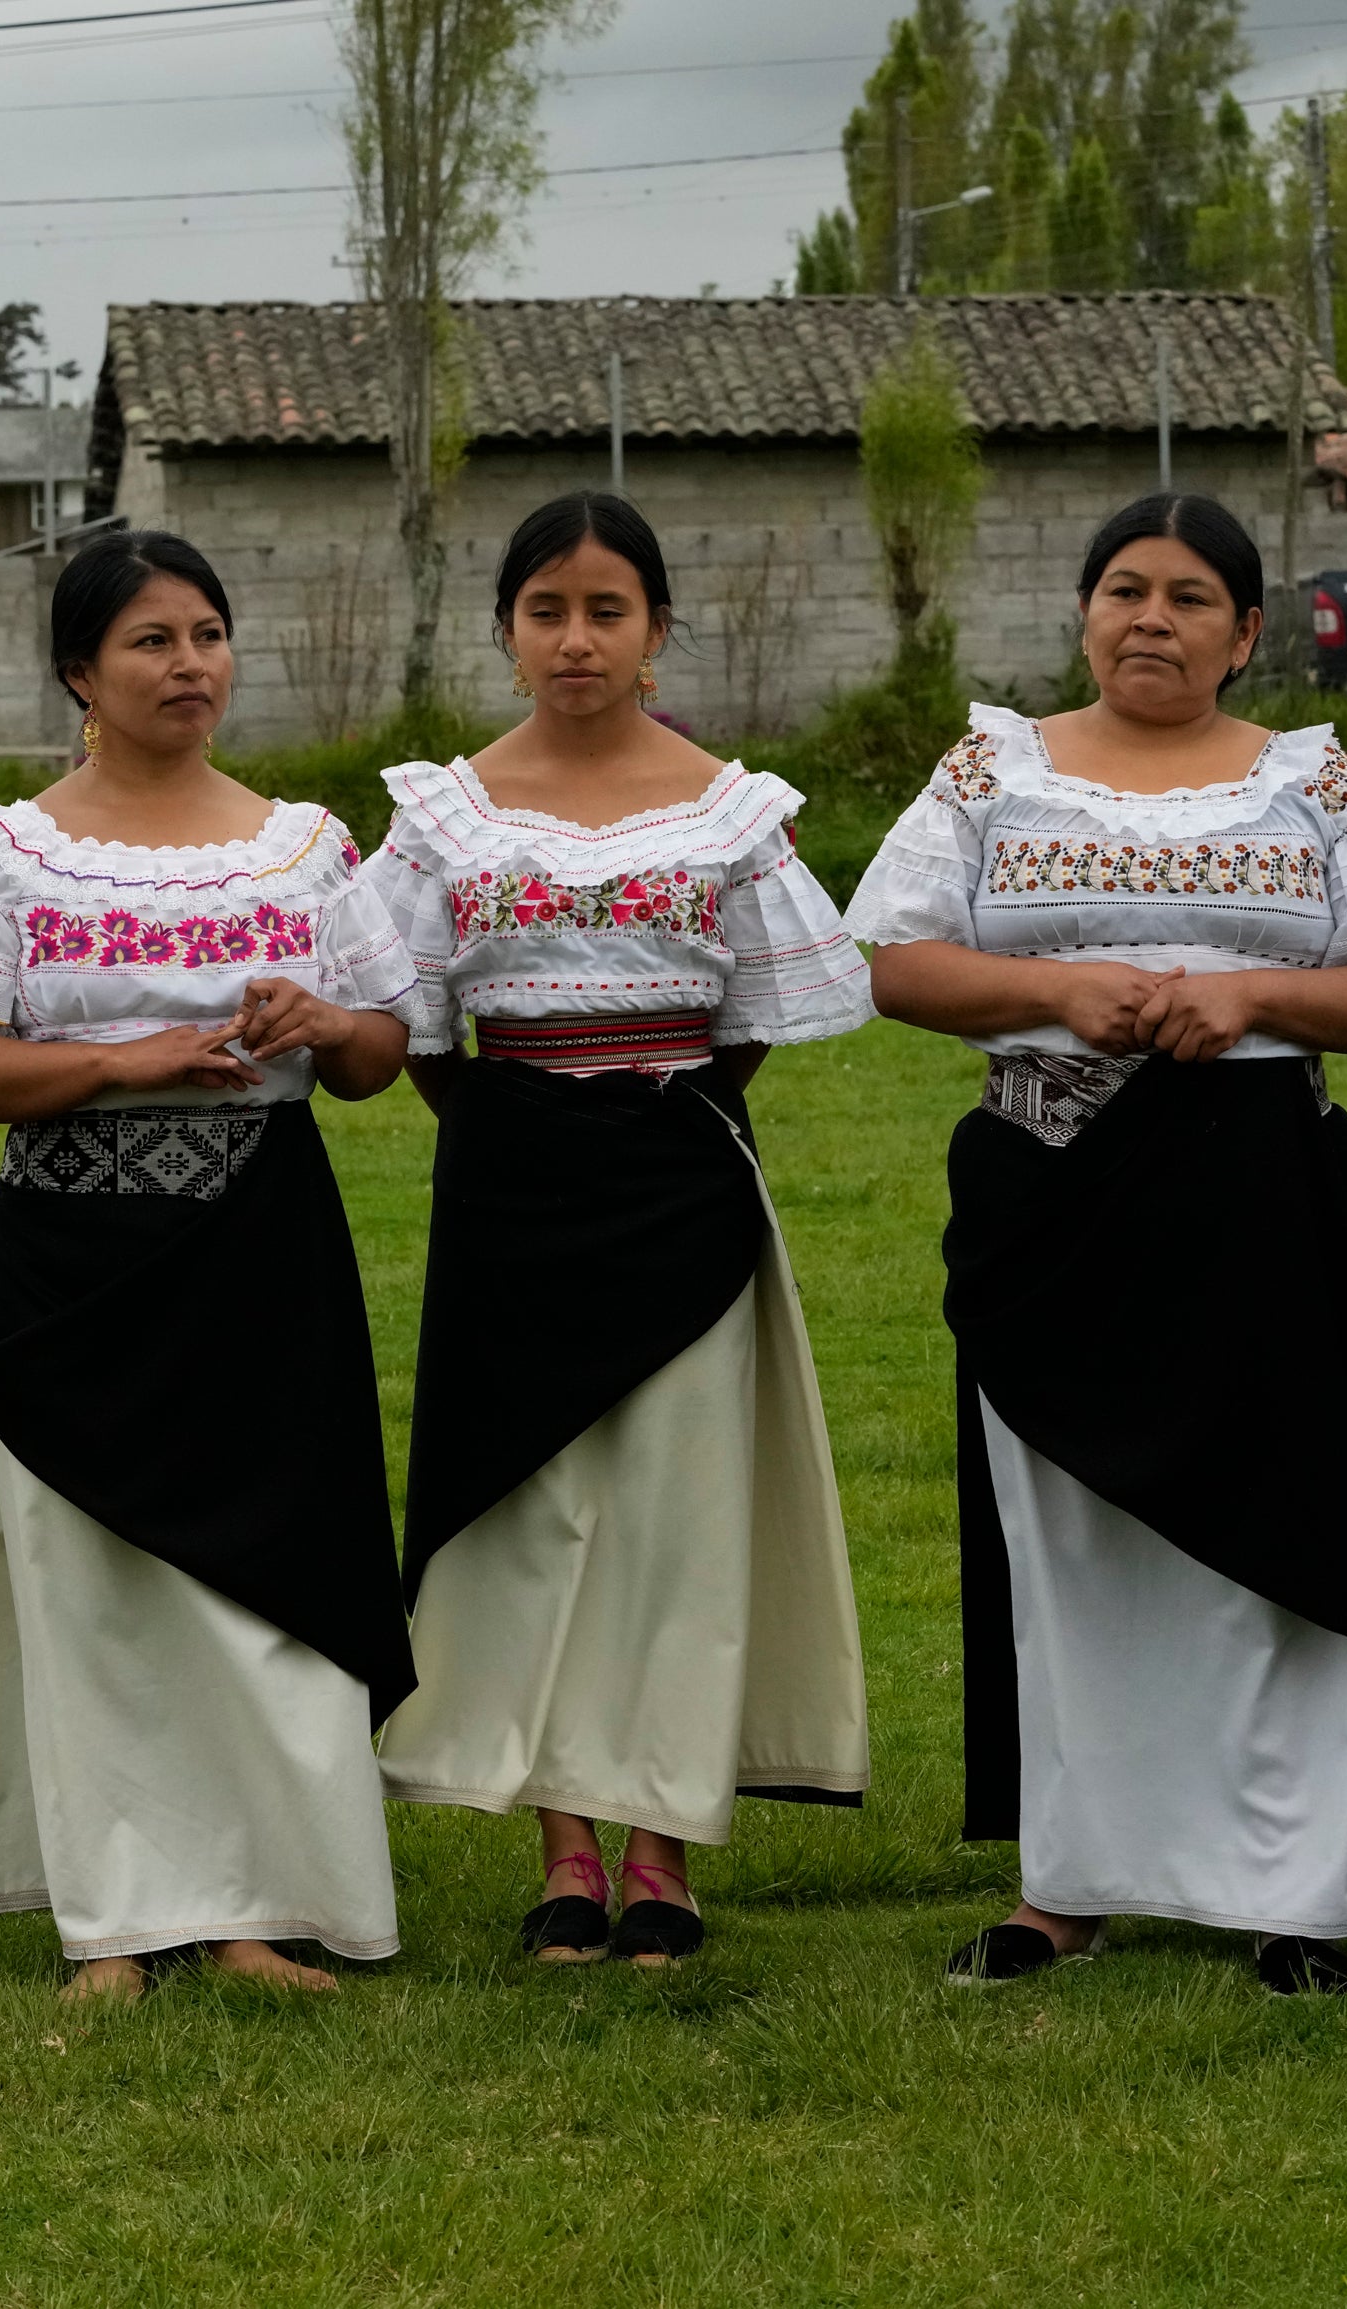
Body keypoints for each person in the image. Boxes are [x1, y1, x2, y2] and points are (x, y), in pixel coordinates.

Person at [849, 492, 1347, 1995]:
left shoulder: (1313, 786)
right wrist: (1059, 993)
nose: (1151, 619)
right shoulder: (994, 767)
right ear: (1082, 611)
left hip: (1256, 1194)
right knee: (1072, 1541)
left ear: (1247, 635)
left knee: (1276, 1532)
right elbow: (900, 961)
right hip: (1051, 1191)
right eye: (1124, 589)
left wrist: (1251, 999)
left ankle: (1301, 1892)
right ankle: (1069, 1884)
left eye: (1190, 598)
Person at [0, 531, 417, 2001]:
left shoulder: (304, 845)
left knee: (262, 1586)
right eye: (151, 642)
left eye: (207, 634)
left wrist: (323, 1021)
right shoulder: (10, 851)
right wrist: (119, 1065)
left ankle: (262, 1910)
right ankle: (117, 1925)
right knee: (98, 1594)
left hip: (262, 1252)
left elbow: (386, 1051)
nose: (189, 665)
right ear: (79, 672)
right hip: (75, 1263)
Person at [362, 490, 874, 1968]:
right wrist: (528, 1121)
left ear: (656, 633)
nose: (576, 637)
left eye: (607, 609)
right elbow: (403, 1021)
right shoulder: (441, 816)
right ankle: (563, 1851)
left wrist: (653, 1110)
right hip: (510, 1188)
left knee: (673, 1523)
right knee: (533, 1518)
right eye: (546, 609)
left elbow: (764, 1012)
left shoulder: (732, 809)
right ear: (506, 632)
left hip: (684, 1191)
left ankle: (661, 1854)